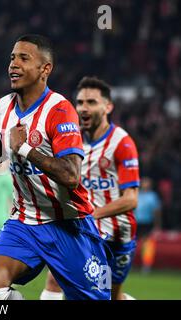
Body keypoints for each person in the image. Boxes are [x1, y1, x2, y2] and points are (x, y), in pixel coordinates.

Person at [0, 35, 112, 300]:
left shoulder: (60, 111)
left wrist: (24, 149)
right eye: (12, 58)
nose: (14, 64)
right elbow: (5, 144)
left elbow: (71, 176)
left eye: (24, 58)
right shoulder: (1, 107)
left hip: (68, 225)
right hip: (25, 221)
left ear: (45, 69)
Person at [41, 76, 140, 300]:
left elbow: (131, 199)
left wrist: (92, 214)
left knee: (110, 296)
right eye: (80, 102)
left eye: (91, 102)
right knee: (55, 278)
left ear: (108, 106)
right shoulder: (73, 140)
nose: (84, 108)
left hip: (117, 234)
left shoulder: (121, 143)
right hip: (90, 231)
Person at [135, 177, 162, 273]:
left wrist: (157, 225)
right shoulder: (137, 194)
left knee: (147, 245)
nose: (145, 184)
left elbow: (157, 212)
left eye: (147, 183)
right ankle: (129, 264)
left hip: (147, 223)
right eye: (144, 182)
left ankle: (146, 266)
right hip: (136, 222)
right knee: (133, 244)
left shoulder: (153, 196)